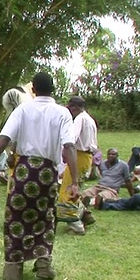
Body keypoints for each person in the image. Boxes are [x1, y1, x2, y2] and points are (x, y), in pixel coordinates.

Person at [0, 72, 78, 280]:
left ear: (33, 90)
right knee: (45, 217)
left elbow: (4, 138)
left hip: (23, 172)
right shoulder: (62, 113)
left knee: (16, 217)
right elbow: (69, 146)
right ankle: (43, 265)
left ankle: (13, 270)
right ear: (53, 89)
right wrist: (75, 181)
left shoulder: (22, 110)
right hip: (47, 173)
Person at [56, 96, 97, 235]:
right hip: (87, 157)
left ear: (74, 108)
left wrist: (65, 152)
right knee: (76, 188)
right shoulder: (90, 120)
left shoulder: (80, 119)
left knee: (68, 190)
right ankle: (85, 214)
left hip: (79, 156)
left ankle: (76, 225)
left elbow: (71, 140)